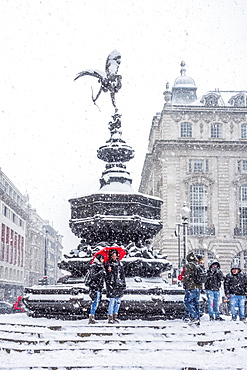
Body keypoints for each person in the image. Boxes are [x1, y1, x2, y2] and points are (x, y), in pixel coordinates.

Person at [182, 252, 205, 325]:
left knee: (187, 302)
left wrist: (183, 281)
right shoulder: (198, 266)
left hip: (191, 287)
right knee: (196, 303)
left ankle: (194, 316)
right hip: (198, 287)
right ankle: (197, 318)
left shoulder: (189, 265)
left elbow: (186, 276)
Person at [105, 249, 126, 324]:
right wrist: (109, 271)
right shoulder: (108, 264)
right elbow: (107, 276)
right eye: (113, 255)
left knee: (118, 301)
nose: (114, 257)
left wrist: (124, 285)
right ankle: (110, 317)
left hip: (119, 285)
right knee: (112, 301)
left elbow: (123, 275)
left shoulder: (120, 264)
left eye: (115, 255)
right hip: (112, 285)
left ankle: (115, 316)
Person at [88, 254, 106, 324]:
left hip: (99, 287)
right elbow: (93, 276)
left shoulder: (101, 266)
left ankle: (92, 317)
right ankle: (91, 318)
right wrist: (100, 272)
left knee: (96, 302)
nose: (103, 260)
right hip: (94, 287)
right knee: (95, 302)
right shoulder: (94, 266)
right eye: (102, 259)